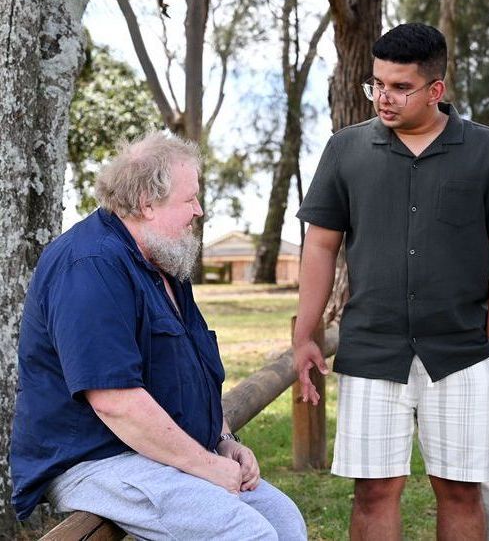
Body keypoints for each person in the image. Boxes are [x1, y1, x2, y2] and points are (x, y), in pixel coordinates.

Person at [293, 23, 489, 541]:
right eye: (377, 83)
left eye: (401, 87)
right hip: (372, 351)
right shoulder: (345, 150)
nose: (384, 97)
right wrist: (305, 334)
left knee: (460, 492)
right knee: (374, 493)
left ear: (436, 90)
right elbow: (320, 245)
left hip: (463, 353)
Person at [11, 131, 306, 541]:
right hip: (95, 459)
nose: (198, 211)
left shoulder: (163, 259)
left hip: (157, 452)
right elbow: (115, 402)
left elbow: (195, 369)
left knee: (284, 520)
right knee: (245, 533)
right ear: (147, 203)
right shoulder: (89, 264)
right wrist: (205, 466)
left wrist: (222, 442)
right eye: (189, 200)